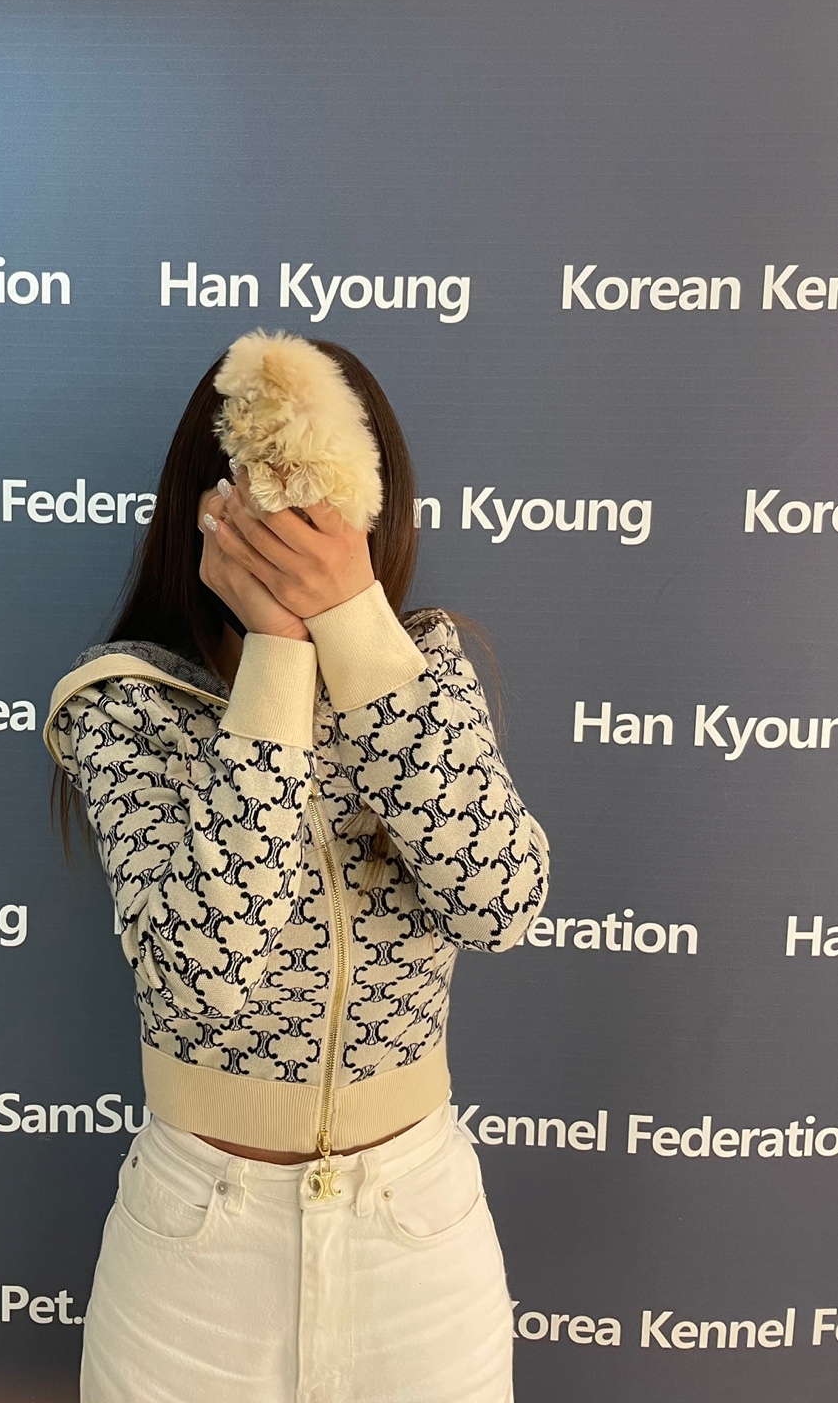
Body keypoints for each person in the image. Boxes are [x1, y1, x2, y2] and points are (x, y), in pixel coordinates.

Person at [43, 336, 550, 1403]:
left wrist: (352, 628)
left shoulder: (421, 668)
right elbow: (203, 979)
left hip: (416, 1236)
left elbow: (500, 902)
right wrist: (276, 652)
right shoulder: (124, 701)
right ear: (209, 507)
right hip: (195, 1252)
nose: (295, 522)